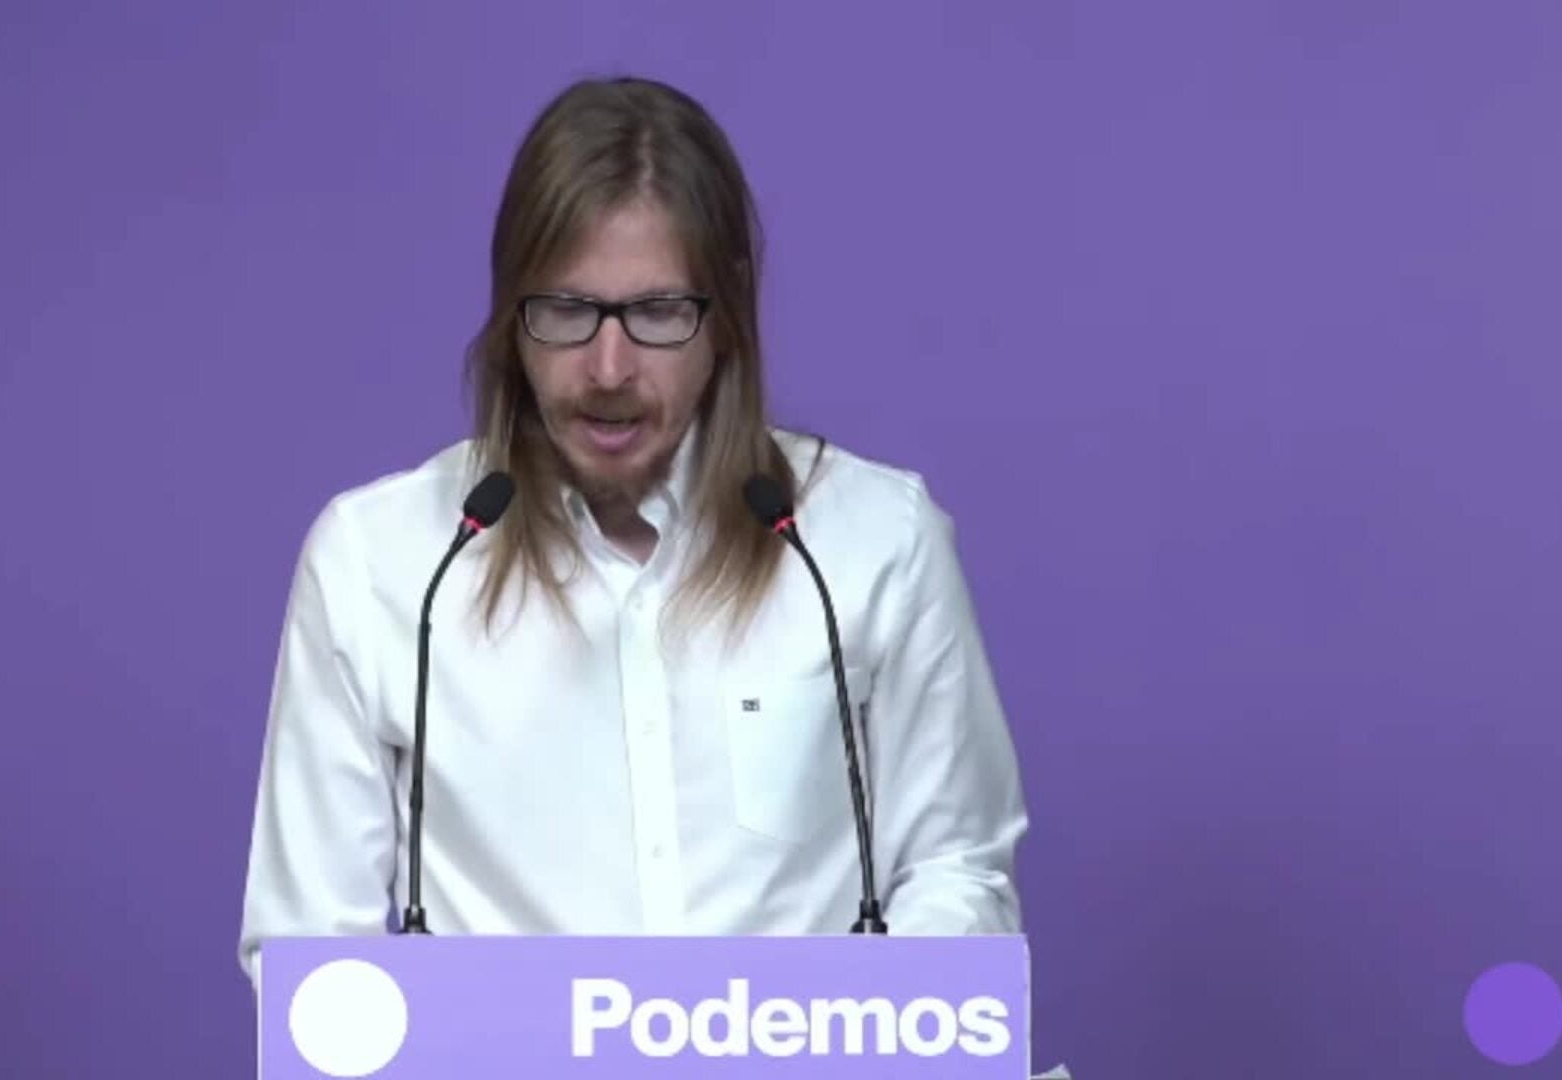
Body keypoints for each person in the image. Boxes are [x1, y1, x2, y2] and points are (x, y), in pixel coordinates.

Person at [237, 75, 1026, 987]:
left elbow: (956, 875)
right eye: (568, 312)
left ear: (724, 319)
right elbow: (311, 958)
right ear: (512, 318)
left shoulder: (876, 542)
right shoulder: (376, 562)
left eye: (656, 314)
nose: (608, 369)